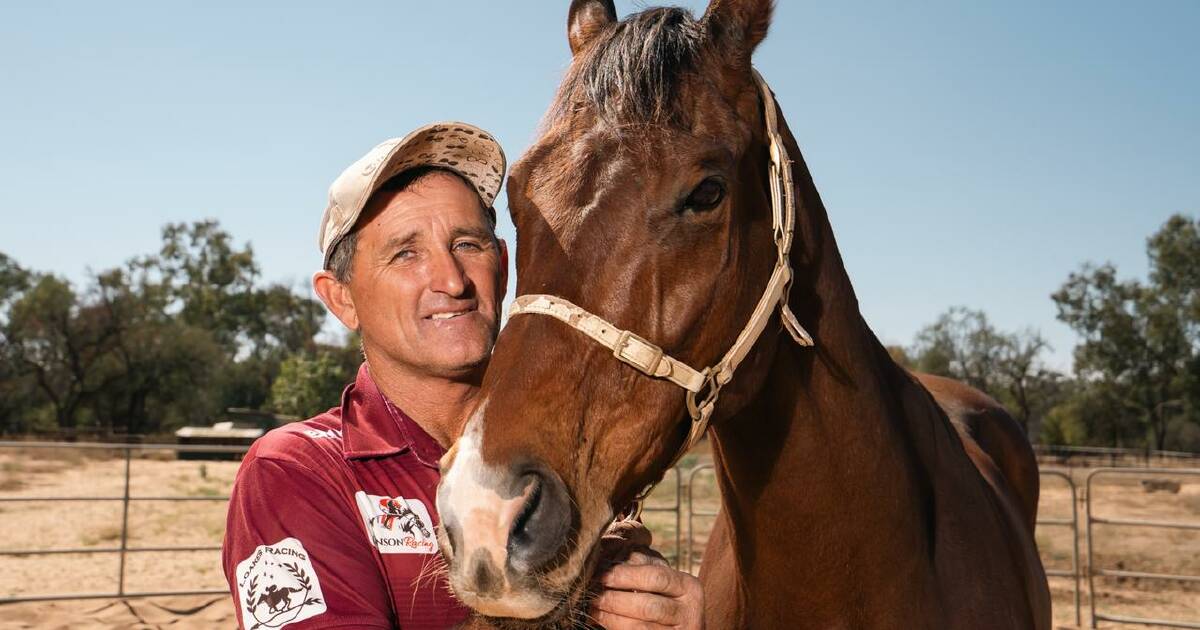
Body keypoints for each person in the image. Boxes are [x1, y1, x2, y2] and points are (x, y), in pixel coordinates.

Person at [221, 122, 704, 630]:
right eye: (405, 253)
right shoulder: (296, 471)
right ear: (341, 297)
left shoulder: (564, 450)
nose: (452, 281)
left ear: (502, 264)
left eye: (469, 245)